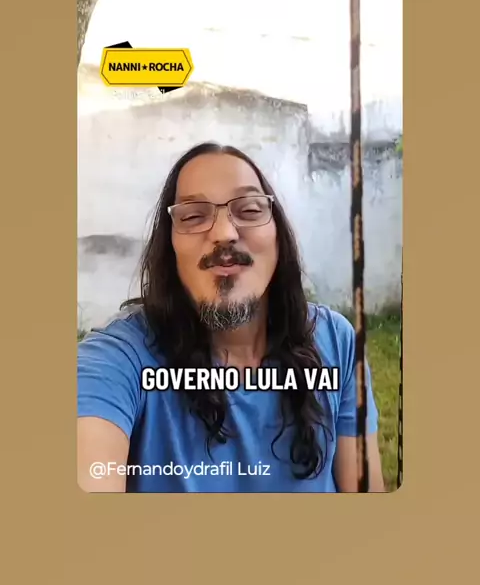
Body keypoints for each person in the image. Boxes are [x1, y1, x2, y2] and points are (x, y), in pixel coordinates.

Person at [77, 142, 385, 493]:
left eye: (249, 210)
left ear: (278, 235)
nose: (224, 233)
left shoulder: (336, 342)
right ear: (170, 246)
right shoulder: (119, 360)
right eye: (193, 216)